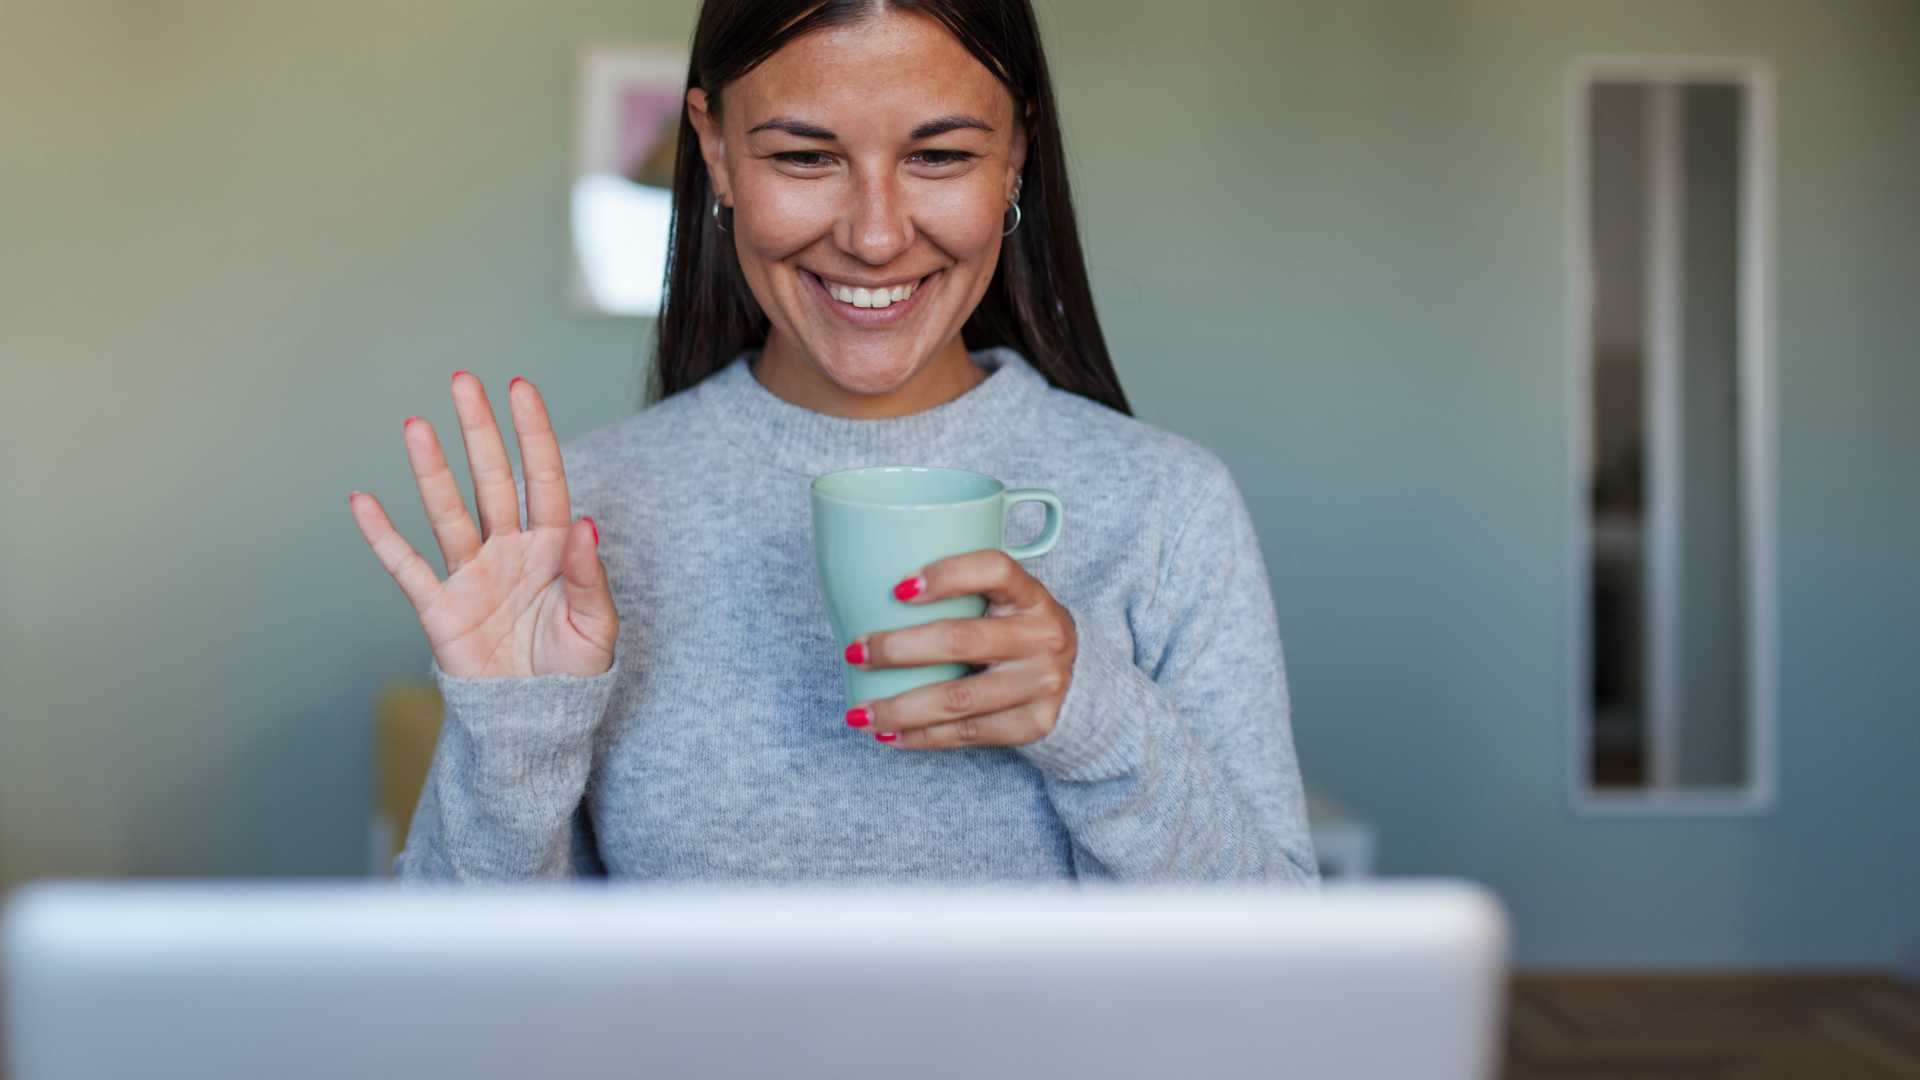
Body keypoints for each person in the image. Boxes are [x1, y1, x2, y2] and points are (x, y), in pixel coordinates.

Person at [348, 0, 1319, 885]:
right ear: (717, 151)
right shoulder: (587, 525)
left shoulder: (1168, 506)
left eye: (939, 157)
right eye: (804, 158)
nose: (875, 236)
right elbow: (458, 1008)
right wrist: (515, 745)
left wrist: (1095, 721)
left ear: (1016, 153)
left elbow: (1290, 974)